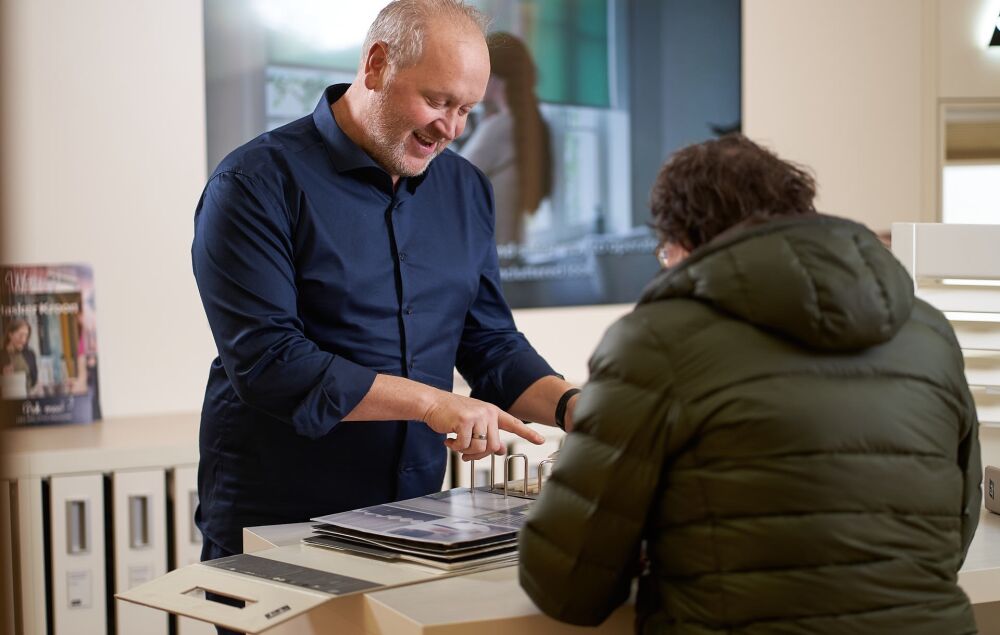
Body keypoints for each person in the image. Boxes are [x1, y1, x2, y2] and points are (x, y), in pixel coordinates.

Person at [519, 135, 982, 634]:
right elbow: (953, 532)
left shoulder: (655, 342)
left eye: (664, 250)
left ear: (684, 243)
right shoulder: (929, 331)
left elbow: (567, 585)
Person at [192, 0, 579, 580]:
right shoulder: (252, 185)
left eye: (467, 109)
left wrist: (576, 408)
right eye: (439, 101)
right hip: (277, 519)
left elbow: (490, 344)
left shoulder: (467, 189)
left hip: (414, 518)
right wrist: (431, 402)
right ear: (377, 65)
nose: (450, 128)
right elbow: (269, 362)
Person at [460, 31, 552, 246]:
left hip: (491, 261)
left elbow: (448, 179)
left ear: (495, 77)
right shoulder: (525, 123)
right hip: (511, 254)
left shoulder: (500, 127)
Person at [1, 318, 38, 398]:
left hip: (27, 399)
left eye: (26, 336)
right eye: (20, 335)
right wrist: (3, 376)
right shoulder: (2, 355)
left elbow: (34, 380)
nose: (23, 340)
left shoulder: (30, 354)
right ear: (10, 335)